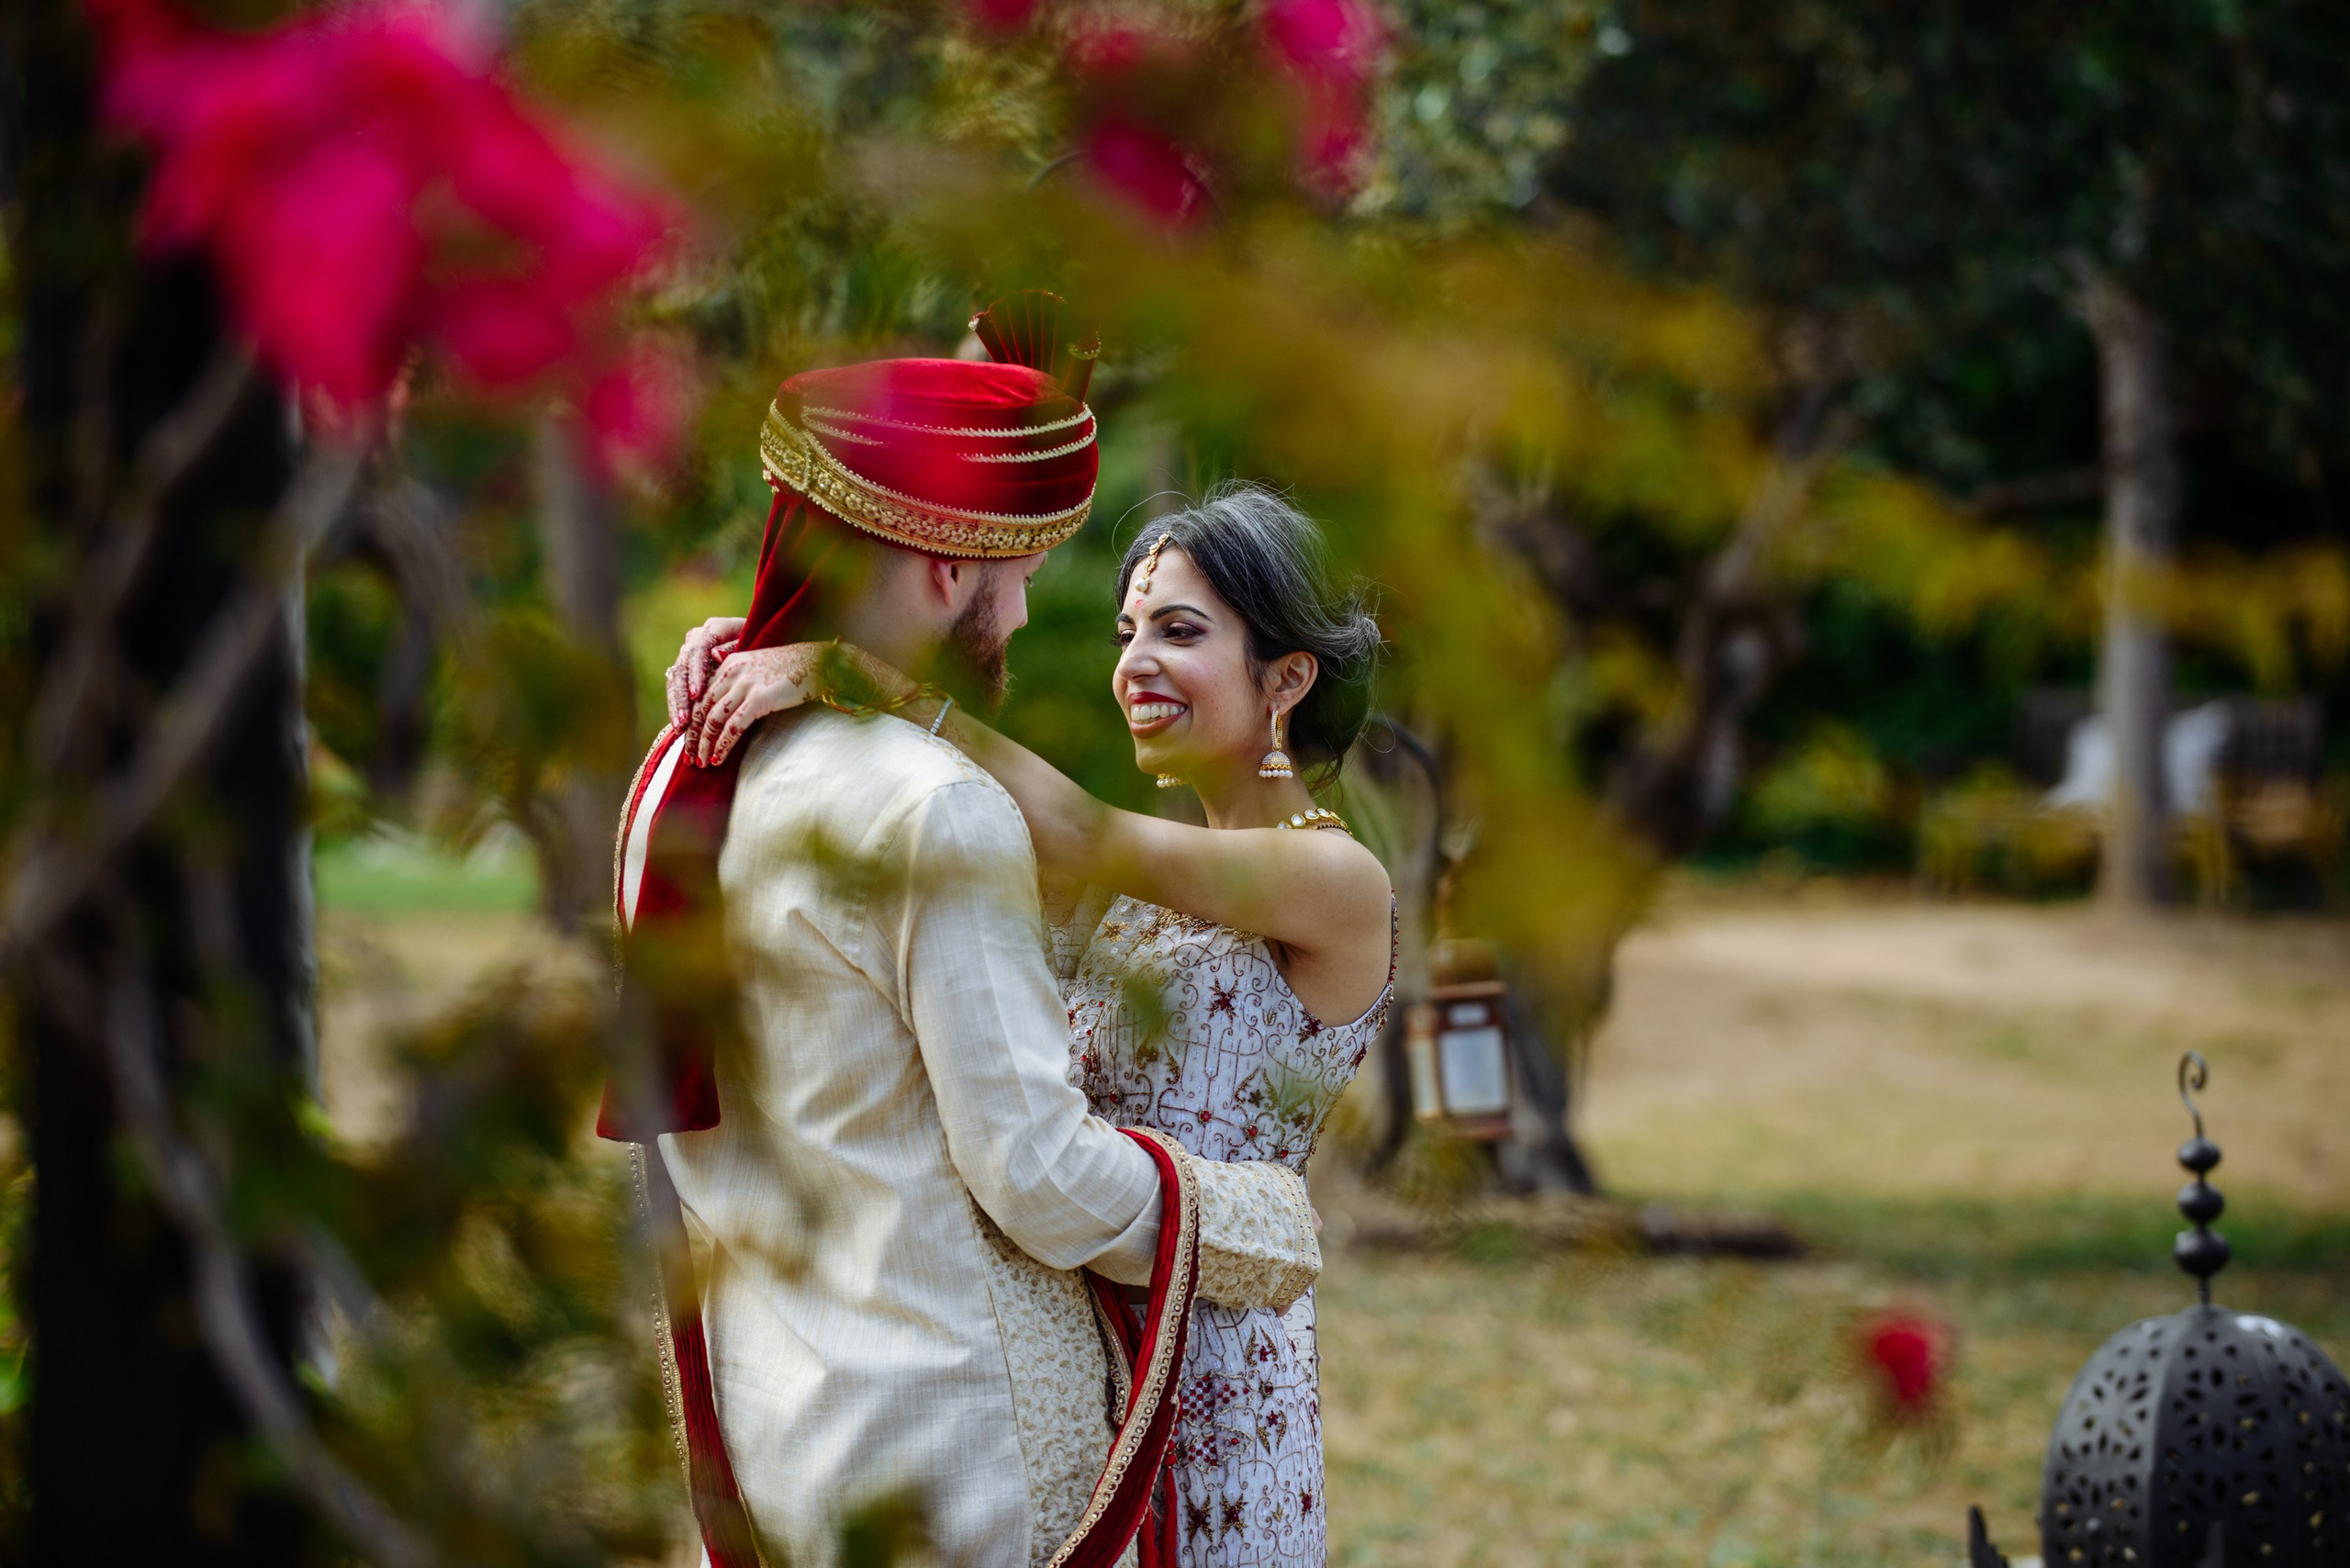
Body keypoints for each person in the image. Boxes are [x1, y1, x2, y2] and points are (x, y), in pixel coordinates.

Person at [613, 330, 1326, 1568]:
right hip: (948, 1461)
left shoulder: (681, 769)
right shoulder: (930, 805)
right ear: (951, 565)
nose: (1036, 611)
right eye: (1030, 573)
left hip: (782, 1422)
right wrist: (1263, 1219)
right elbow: (1037, 1177)